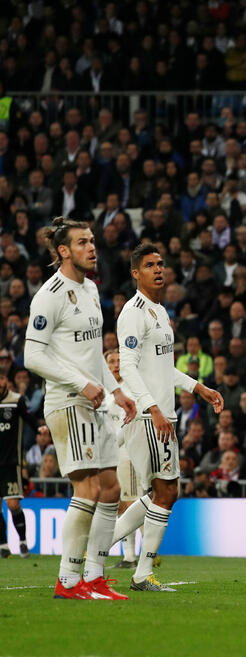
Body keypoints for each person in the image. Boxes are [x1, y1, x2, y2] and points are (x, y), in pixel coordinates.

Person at [24, 217, 137, 600]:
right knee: (87, 487)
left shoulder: (89, 289)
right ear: (63, 251)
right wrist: (84, 384)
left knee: (110, 488)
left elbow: (91, 353)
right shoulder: (50, 295)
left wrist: (114, 389)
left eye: (92, 241)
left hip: (97, 401)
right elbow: (32, 355)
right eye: (83, 242)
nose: (92, 248)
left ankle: (94, 576)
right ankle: (68, 581)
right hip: (69, 401)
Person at [110, 243, 224, 592]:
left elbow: (162, 368)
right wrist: (153, 408)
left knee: (157, 491)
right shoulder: (133, 312)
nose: (159, 269)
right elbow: (127, 365)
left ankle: (95, 549)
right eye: (149, 265)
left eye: (161, 264)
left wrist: (197, 387)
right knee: (167, 490)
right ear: (136, 273)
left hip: (162, 414)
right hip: (149, 417)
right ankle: (141, 573)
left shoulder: (159, 312)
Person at [103, 349, 138, 568]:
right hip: (109, 455)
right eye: (111, 362)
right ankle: (131, 556)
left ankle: (133, 556)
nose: (116, 365)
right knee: (119, 505)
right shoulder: (104, 390)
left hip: (128, 454)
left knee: (132, 503)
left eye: (119, 361)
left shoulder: (131, 389)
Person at [0, 367, 38, 558]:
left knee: (13, 504)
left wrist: (41, 429)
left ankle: (23, 542)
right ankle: (3, 546)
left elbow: (29, 419)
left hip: (11, 463)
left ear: (6, 380)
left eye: (1, 379)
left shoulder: (16, 400)